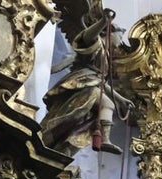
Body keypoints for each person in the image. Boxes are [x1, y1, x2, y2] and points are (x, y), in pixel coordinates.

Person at [41, 1, 132, 155]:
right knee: (102, 106)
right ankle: (104, 140)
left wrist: (121, 99)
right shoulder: (96, 45)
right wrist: (104, 21)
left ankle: (100, 140)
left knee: (83, 125)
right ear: (109, 32)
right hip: (81, 84)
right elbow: (86, 37)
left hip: (91, 85)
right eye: (119, 36)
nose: (119, 42)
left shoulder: (106, 56)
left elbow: (100, 82)